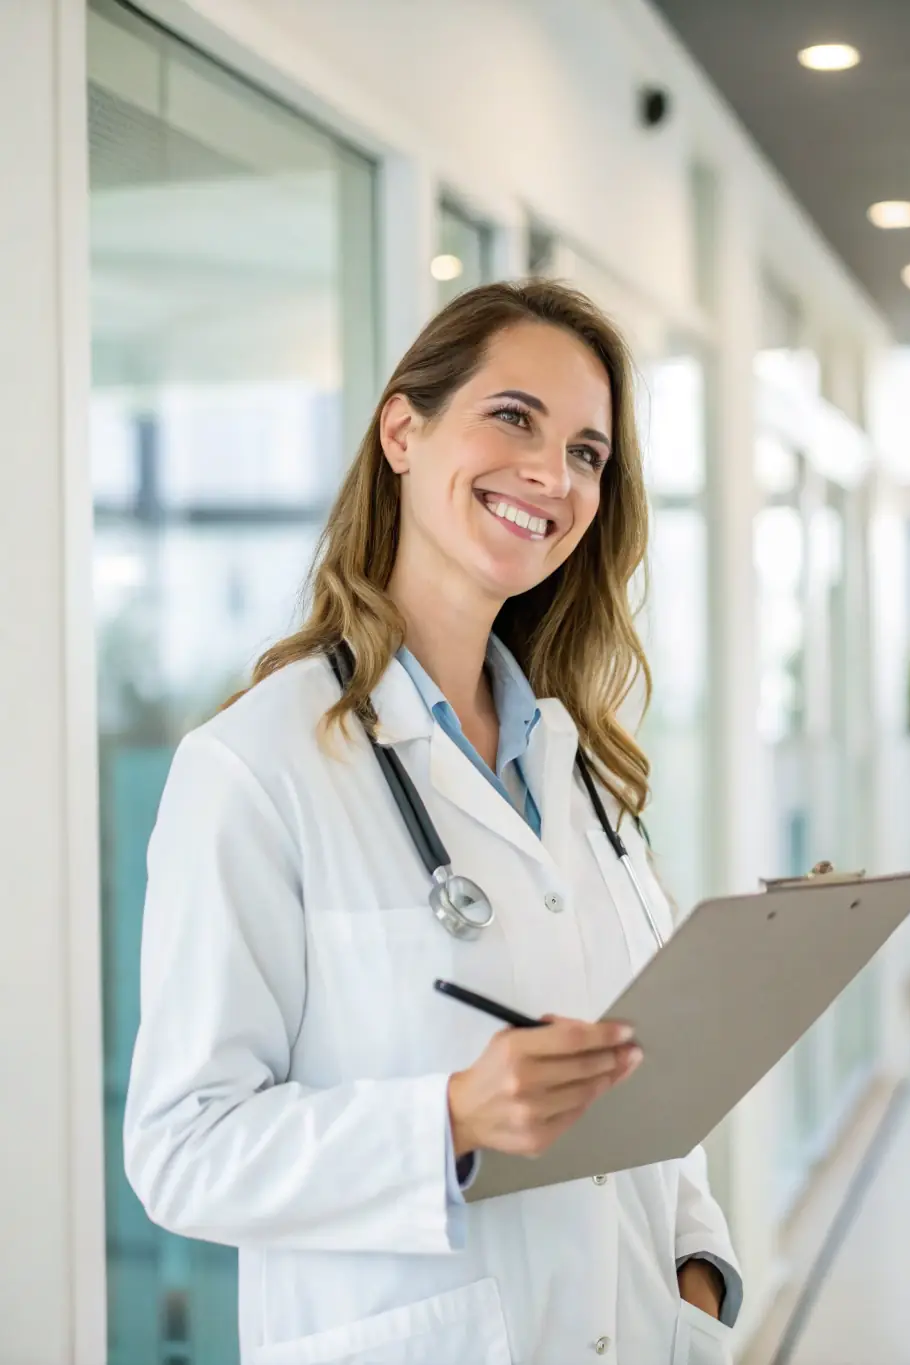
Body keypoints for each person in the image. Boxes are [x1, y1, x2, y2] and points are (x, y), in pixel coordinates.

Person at [124, 280, 741, 1365]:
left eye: (589, 453)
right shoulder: (253, 767)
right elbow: (182, 1151)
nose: (552, 476)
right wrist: (447, 1119)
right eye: (514, 418)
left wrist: (694, 1268)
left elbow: (643, 1074)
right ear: (403, 431)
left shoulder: (577, 770)